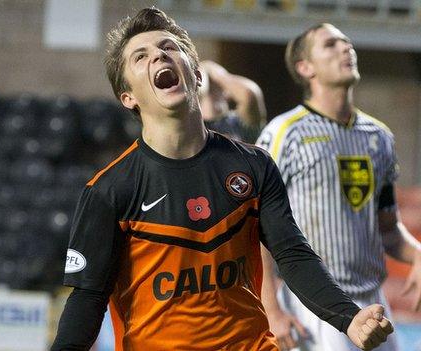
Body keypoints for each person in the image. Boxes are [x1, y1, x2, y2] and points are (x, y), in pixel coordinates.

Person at [51, 9, 393, 350]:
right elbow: (87, 299)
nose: (158, 55)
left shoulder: (254, 165)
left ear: (196, 75)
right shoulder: (109, 190)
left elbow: (294, 256)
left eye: (169, 47)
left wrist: (348, 318)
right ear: (128, 97)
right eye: (141, 57)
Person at [256, 23, 421, 351]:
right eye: (330, 45)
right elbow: (257, 228)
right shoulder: (283, 133)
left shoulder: (379, 136)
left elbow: (388, 229)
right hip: (314, 305)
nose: (346, 49)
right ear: (306, 68)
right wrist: (271, 310)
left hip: (374, 302)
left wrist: (418, 254)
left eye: (347, 43)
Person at [198, 59, 266, 143]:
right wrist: (203, 73)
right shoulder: (190, 124)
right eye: (211, 87)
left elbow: (249, 95)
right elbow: (197, 93)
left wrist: (218, 75)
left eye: (219, 86)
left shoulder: (236, 123)